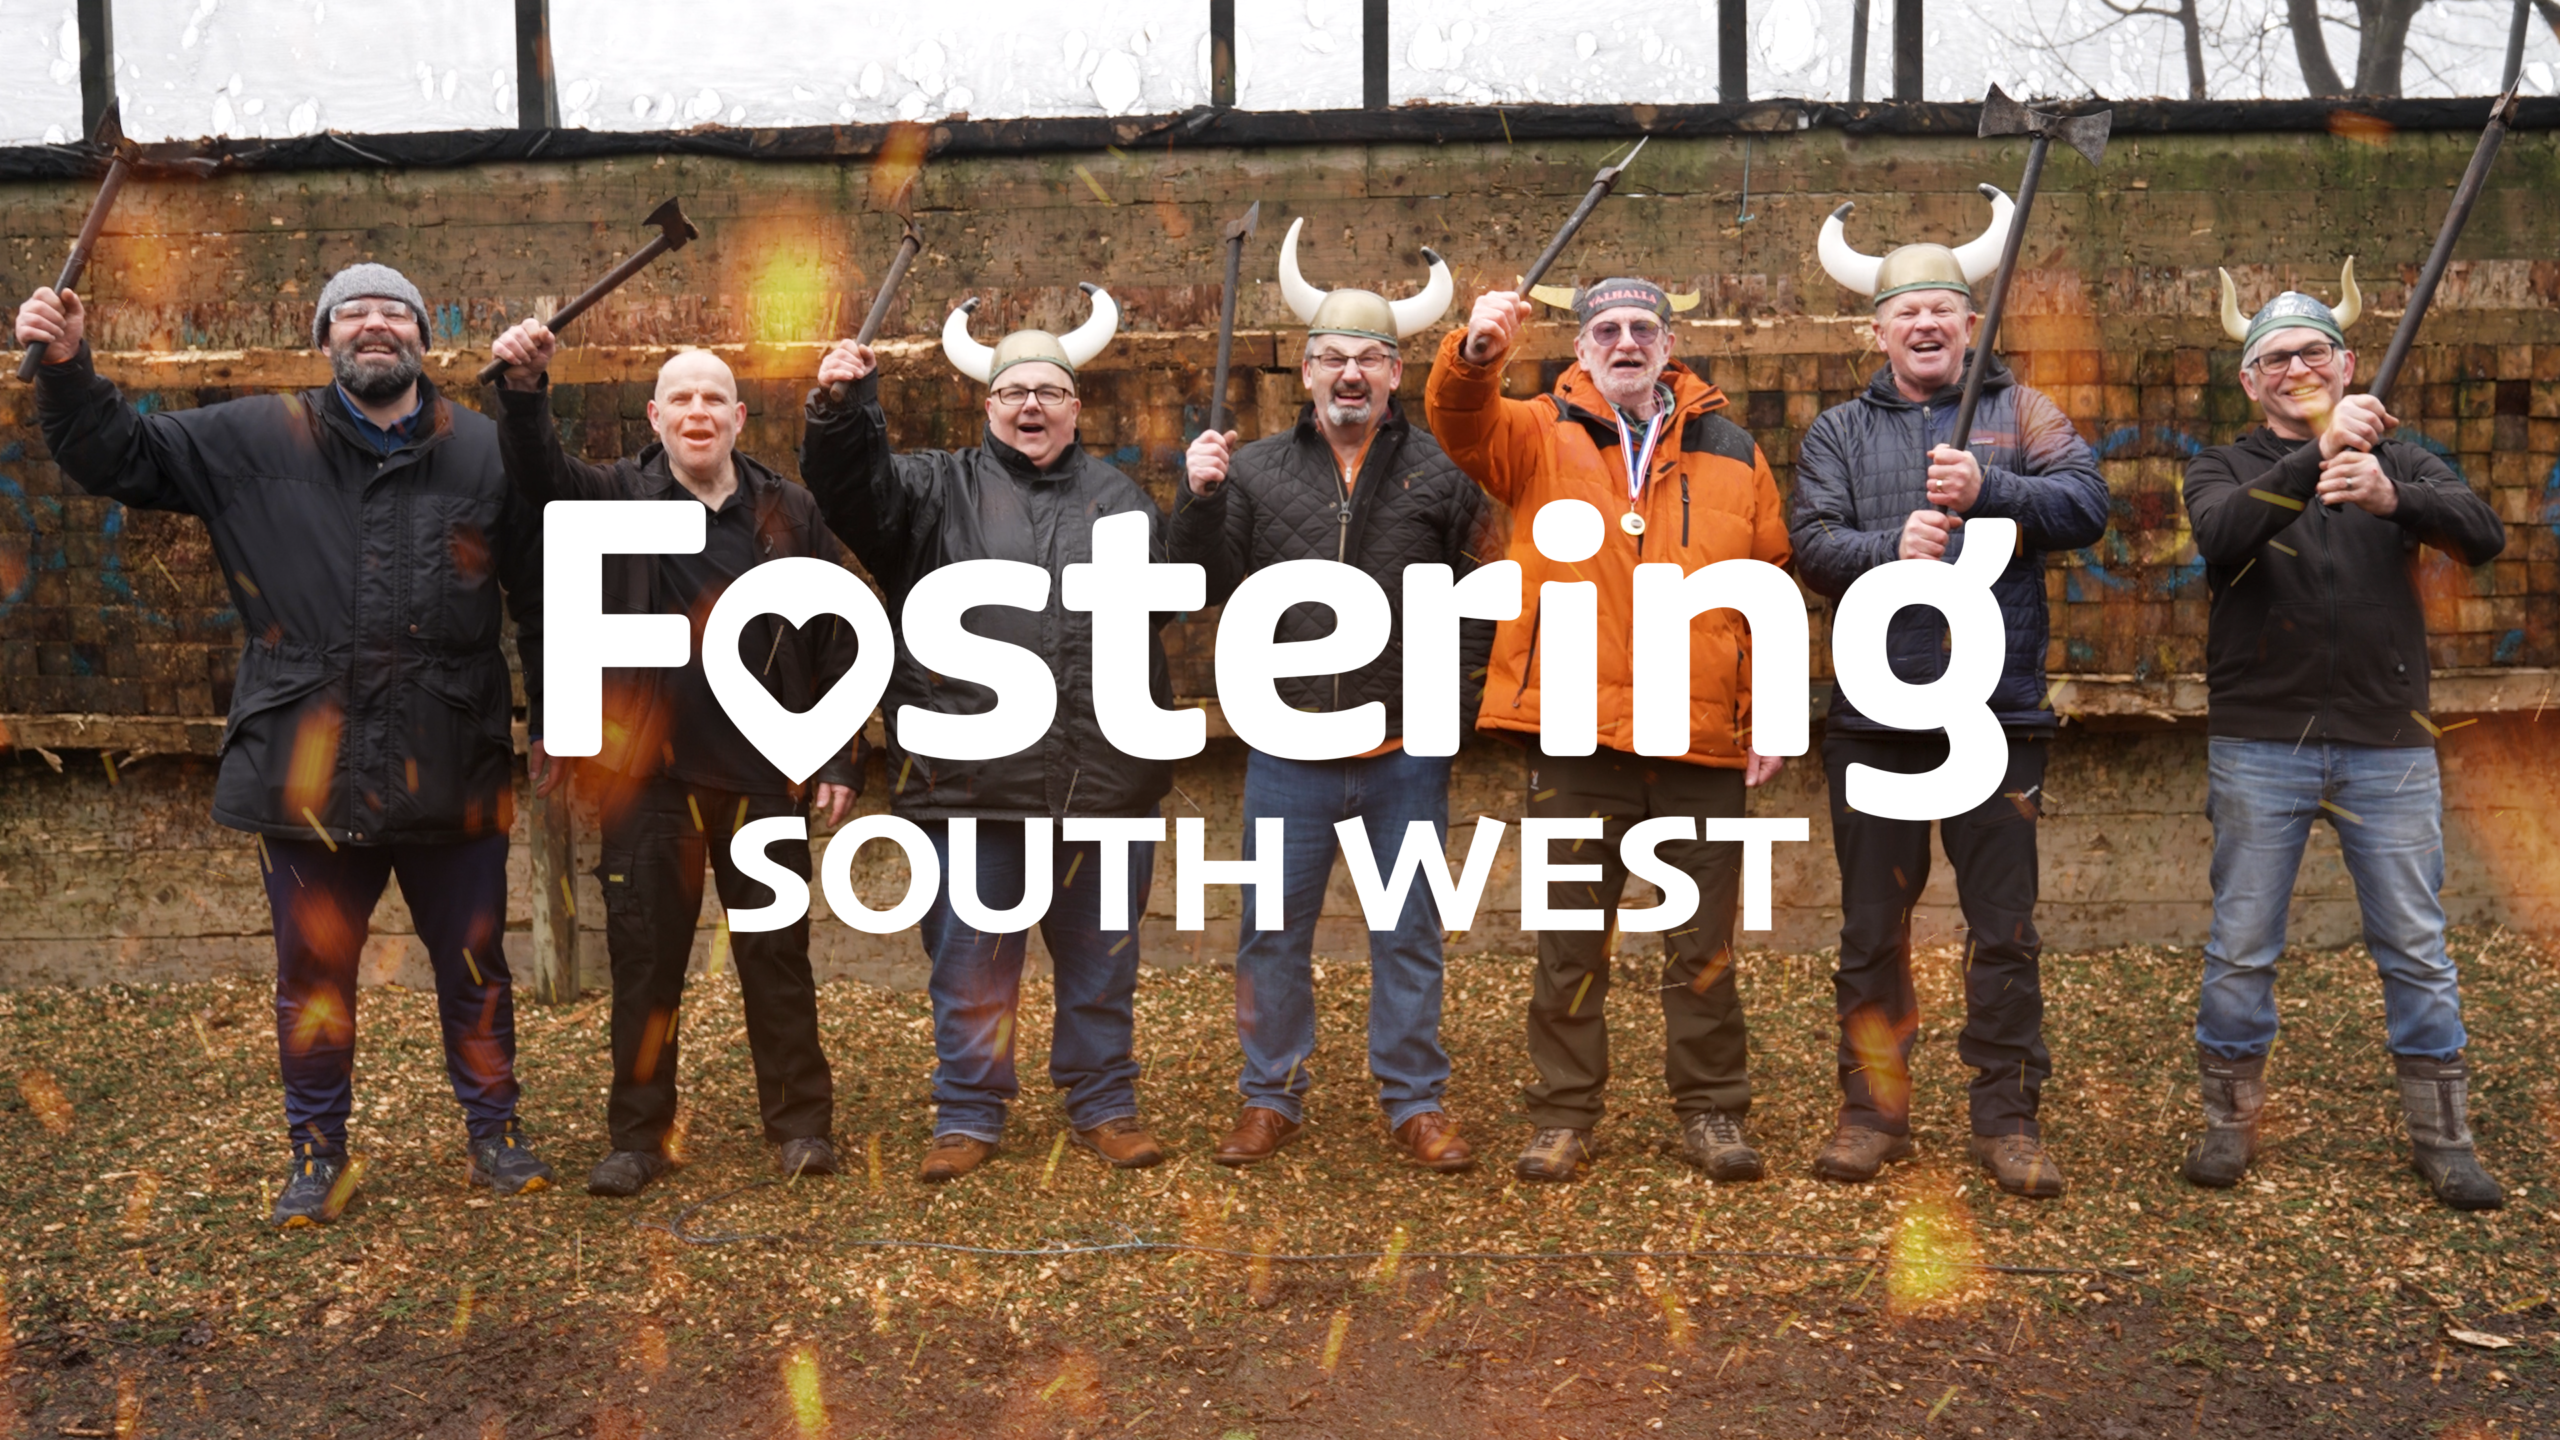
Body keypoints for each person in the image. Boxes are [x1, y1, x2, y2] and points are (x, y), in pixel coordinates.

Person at [16, 265, 553, 1224]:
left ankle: (496, 1136)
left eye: (396, 312)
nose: (376, 325)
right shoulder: (254, 437)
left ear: (424, 337)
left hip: (453, 752)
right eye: (355, 312)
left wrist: (555, 715)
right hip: (310, 764)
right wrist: (66, 367)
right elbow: (116, 454)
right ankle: (319, 1156)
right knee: (314, 976)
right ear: (326, 337)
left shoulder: (485, 451)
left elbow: (540, 596)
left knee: (475, 962)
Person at [802, 286, 1176, 1183]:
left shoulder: (1123, 499)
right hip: (968, 786)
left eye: (1050, 391)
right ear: (988, 406)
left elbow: (1161, 614)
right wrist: (839, 412)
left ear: (1077, 408)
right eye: (1015, 393)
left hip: (1101, 788)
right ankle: (968, 1113)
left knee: (1102, 962)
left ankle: (1105, 1105)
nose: (1032, 406)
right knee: (969, 963)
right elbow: (852, 491)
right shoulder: (930, 490)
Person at [1426, 275, 1792, 1184]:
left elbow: (1772, 586)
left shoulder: (1734, 448)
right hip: (1576, 730)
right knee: (1569, 939)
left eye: (1642, 328)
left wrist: (1774, 707)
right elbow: (1458, 420)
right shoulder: (1534, 433)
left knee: (1702, 943)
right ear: (1582, 349)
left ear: (1669, 345)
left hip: (1699, 735)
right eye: (1607, 330)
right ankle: (1562, 1114)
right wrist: (1476, 350)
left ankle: (1711, 1112)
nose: (1625, 343)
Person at [487, 321, 865, 1198]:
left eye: (713, 400)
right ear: (655, 418)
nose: (698, 413)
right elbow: (537, 472)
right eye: (680, 399)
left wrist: (841, 752)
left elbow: (840, 633)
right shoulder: (612, 499)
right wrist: (522, 392)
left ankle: (801, 1126)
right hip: (647, 785)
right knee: (645, 964)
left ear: (738, 417)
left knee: (776, 958)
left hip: (765, 781)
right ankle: (639, 1135)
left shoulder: (788, 511)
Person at [1793, 192, 2109, 1199]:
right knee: (1869, 931)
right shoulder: (1838, 434)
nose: (1926, 325)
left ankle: (2007, 1117)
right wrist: (1892, 546)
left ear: (1971, 326)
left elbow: (2086, 505)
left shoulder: (2023, 416)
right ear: (1876, 330)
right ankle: (1869, 1113)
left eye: (1944, 310)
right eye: (1907, 312)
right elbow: (1811, 545)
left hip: (1996, 713)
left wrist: (1992, 489)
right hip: (1874, 717)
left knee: (2002, 923)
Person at [2178, 262, 2508, 1210]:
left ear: (2347, 360)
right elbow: (2223, 537)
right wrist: (2316, 458)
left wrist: (2394, 497)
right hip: (2260, 741)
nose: (2294, 367)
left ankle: (2444, 1139)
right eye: (2273, 358)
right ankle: (2227, 1127)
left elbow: (2482, 535)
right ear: (2249, 381)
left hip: (2387, 740)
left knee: (2415, 943)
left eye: (2312, 351)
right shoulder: (2224, 465)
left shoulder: (2397, 462)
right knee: (2242, 944)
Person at [1175, 221, 1494, 1172]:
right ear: (1305, 373)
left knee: (1410, 933)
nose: (1350, 375)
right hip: (1289, 747)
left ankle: (1415, 1100)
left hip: (1404, 749)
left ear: (1396, 374)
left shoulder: (1445, 472)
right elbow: (1199, 581)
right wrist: (1196, 499)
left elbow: (1481, 599)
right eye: (1331, 359)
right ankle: (1270, 1097)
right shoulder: (1256, 471)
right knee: (1271, 934)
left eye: (1369, 359)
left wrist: (1448, 705)